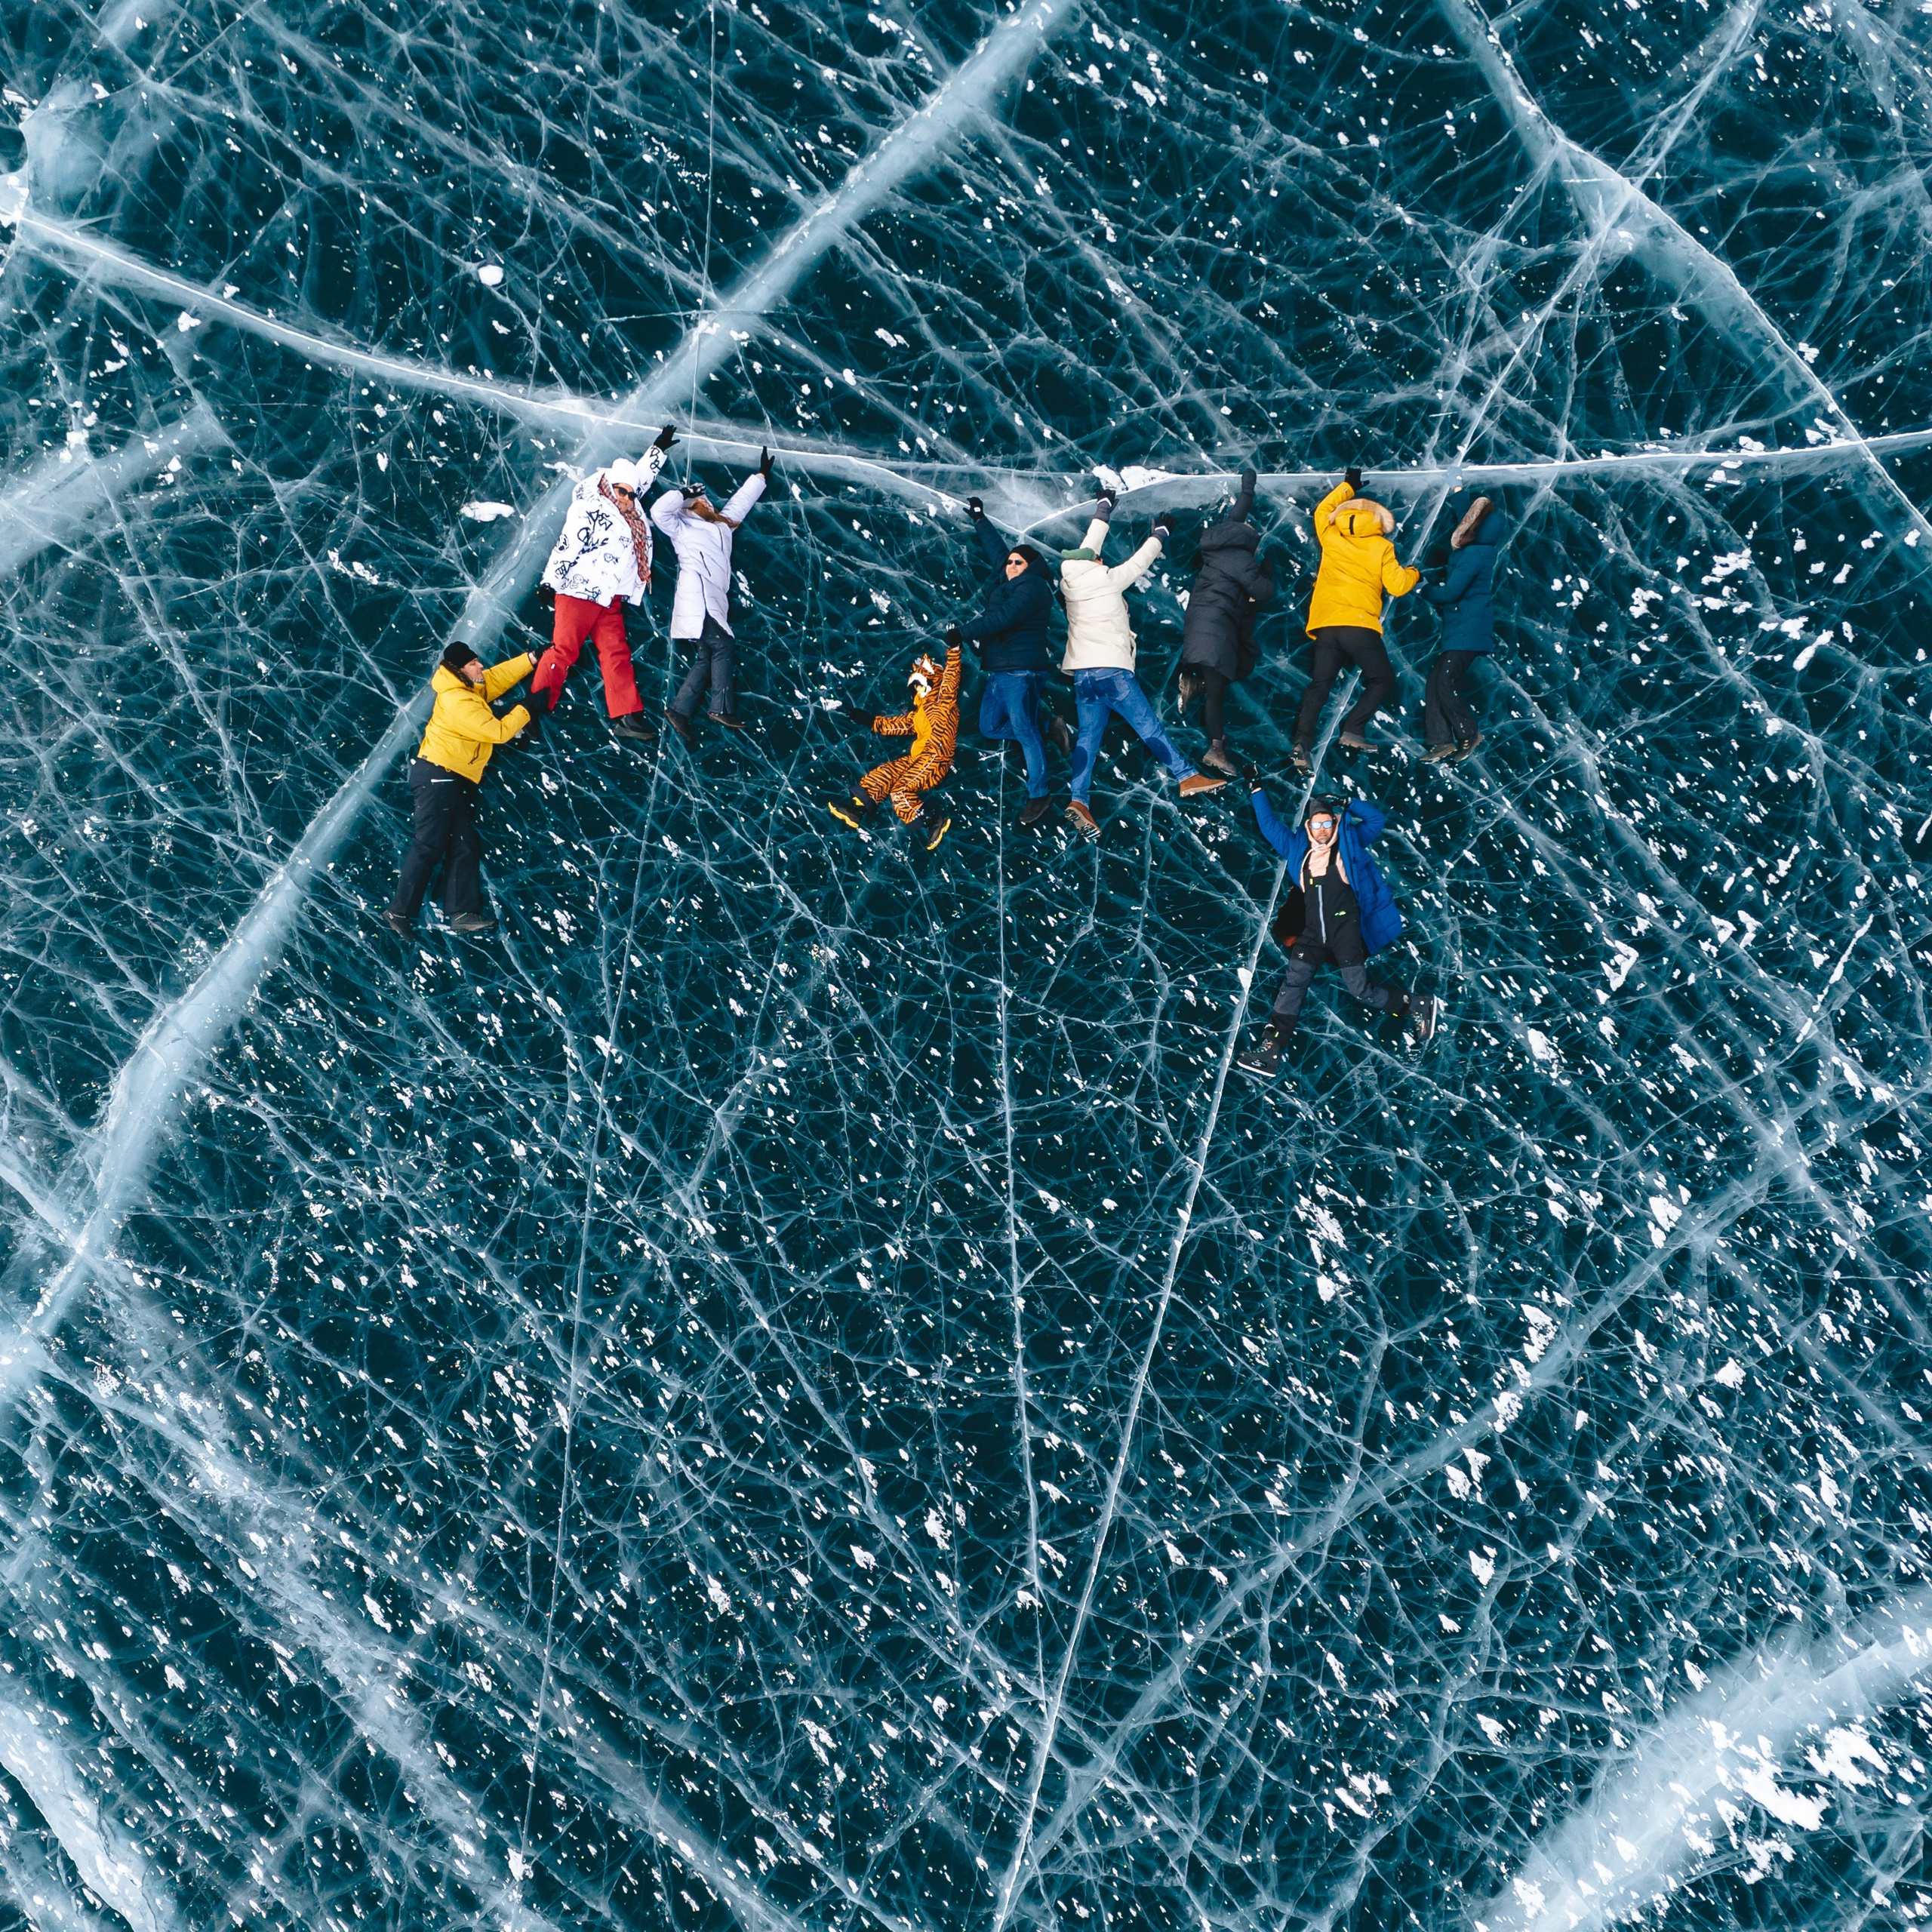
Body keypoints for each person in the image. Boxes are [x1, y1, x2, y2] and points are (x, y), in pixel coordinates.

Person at [1060, 485, 1226, 837]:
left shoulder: (1070, 582)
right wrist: (1159, 535)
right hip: (1111, 672)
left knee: (1089, 738)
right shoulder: (1105, 579)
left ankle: (1079, 799)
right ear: (1095, 563)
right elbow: (1138, 563)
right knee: (1148, 726)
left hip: (1082, 677)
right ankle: (1186, 776)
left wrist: (1105, 507)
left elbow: (1091, 542)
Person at [1235, 786, 1436, 1075]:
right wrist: (1256, 789)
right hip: (1313, 932)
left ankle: (1415, 1004)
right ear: (1309, 826)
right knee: (1293, 985)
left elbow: (1376, 821)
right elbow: (1268, 825)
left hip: (1345, 928)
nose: (1321, 830)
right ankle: (1272, 1051)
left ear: (1334, 822)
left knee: (1360, 990)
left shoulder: (1350, 841)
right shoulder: (1297, 849)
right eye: (1316, 824)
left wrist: (1349, 803)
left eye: (1326, 823)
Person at [531, 425, 677, 741]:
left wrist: (658, 450)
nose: (627, 498)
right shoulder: (590, 507)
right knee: (563, 652)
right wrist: (550, 581)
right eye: (621, 492)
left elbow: (640, 477)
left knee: (616, 653)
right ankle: (533, 708)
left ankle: (627, 716)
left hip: (609, 598)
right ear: (610, 487)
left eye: (631, 494)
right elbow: (569, 544)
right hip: (579, 593)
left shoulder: (630, 506)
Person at [386, 641, 537, 937]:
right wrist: (527, 709)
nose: (480, 667)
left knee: (464, 843)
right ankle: (399, 911)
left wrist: (530, 660)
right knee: (429, 846)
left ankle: (462, 914)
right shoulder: (457, 700)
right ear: (459, 670)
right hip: (438, 776)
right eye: (473, 664)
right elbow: (499, 732)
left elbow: (493, 680)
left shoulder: (467, 689)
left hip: (450, 778)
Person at [1293, 466, 1422, 773]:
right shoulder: (1381, 546)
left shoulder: (1332, 536)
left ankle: (1301, 743)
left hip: (1326, 625)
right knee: (1382, 680)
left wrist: (1348, 486)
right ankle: (1352, 729)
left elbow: (1323, 510)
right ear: (1378, 522)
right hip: (1358, 626)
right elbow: (1398, 586)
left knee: (1319, 685)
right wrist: (1415, 573)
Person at [960, 495, 1070, 828]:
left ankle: (1040, 795)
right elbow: (998, 552)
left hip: (1020, 671)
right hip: (998, 669)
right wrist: (981, 519)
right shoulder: (1010, 578)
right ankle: (1048, 730)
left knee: (1023, 733)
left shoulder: (1033, 588)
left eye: (1018, 563)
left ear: (1031, 568)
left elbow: (1003, 618)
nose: (1010, 566)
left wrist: (961, 633)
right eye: (1010, 563)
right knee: (989, 727)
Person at [654, 448, 771, 743]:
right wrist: (682, 493)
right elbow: (658, 512)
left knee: (707, 655)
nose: (704, 503)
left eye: (704, 501)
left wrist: (761, 476)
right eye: (698, 502)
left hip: (713, 599)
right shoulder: (680, 527)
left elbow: (739, 505)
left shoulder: (722, 526)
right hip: (698, 596)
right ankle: (720, 708)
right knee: (724, 645)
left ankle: (680, 710)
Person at [1177, 466, 1275, 776]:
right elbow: (1264, 592)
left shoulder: (1219, 544)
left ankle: (1197, 683)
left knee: (1229, 672)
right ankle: (1216, 749)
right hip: (1216, 630)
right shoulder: (1242, 560)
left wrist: (1248, 490)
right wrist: (1268, 570)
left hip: (1201, 622)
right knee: (1219, 690)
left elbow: (1237, 516)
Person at [828, 639, 961, 851]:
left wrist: (954, 650)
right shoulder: (920, 714)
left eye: (919, 685)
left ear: (930, 682)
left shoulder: (943, 701)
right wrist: (868, 720)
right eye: (914, 688)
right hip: (920, 758)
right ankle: (857, 807)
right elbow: (896, 725)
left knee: (900, 792)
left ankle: (933, 820)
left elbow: (951, 679)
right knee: (886, 773)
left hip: (937, 757)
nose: (917, 691)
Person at [1418, 492, 1503, 761]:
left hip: (1468, 629)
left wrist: (1422, 589)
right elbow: (1469, 519)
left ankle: (1469, 735)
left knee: (1445, 679)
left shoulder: (1474, 555)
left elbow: (1450, 593)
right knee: (1436, 681)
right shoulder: (1481, 548)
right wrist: (1458, 492)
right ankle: (1440, 740)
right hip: (1464, 628)